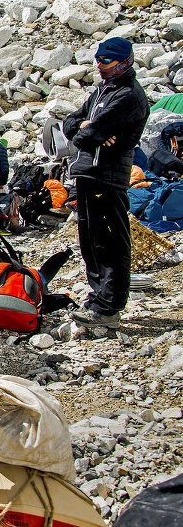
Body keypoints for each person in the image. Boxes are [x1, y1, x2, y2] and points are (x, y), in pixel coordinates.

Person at [62, 37, 149, 328]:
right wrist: (87, 126)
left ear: (126, 62)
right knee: (90, 240)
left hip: (108, 176)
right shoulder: (103, 90)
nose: (100, 66)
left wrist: (88, 129)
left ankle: (109, 307)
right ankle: (97, 298)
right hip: (88, 174)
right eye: (98, 60)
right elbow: (71, 124)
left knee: (109, 241)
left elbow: (84, 136)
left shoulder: (128, 96)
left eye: (107, 62)